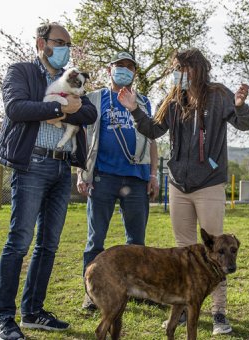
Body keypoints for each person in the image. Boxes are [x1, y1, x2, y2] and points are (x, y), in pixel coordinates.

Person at [123, 48, 249, 335]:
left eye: (180, 68)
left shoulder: (219, 95)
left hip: (209, 184)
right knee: (184, 254)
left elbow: (246, 124)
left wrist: (241, 105)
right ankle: (182, 310)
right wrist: (134, 109)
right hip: (179, 186)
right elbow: (153, 130)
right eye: (174, 68)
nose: (176, 74)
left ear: (195, 69)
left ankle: (219, 313)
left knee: (218, 252)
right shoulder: (172, 99)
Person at [0, 22, 97, 340]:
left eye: (68, 43)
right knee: (19, 242)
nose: (65, 47)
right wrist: (59, 106)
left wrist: (58, 112)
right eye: (59, 41)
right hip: (31, 165)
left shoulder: (72, 77)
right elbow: (16, 107)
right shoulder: (21, 71)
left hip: (61, 168)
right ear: (41, 43)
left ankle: (33, 311)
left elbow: (89, 113)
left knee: (48, 245)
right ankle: (3, 319)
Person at [77, 51, 159, 310]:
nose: (124, 70)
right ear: (109, 69)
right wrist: (82, 172)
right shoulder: (95, 99)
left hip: (136, 178)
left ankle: (135, 290)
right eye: (119, 66)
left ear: (134, 73)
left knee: (136, 241)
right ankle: (92, 294)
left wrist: (154, 175)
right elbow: (83, 137)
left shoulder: (144, 102)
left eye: (129, 67)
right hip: (103, 177)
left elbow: (153, 140)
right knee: (96, 239)